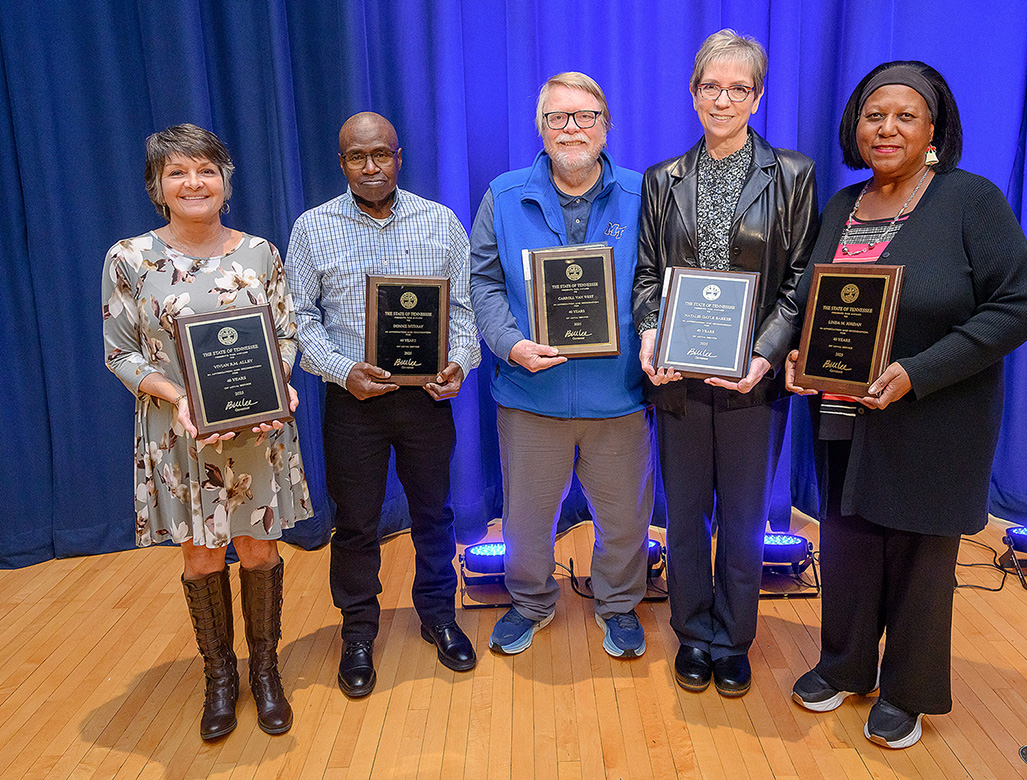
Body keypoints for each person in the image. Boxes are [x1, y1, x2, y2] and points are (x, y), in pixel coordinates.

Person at [786, 60, 1027, 748]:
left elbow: (1023, 305)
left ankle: (907, 689)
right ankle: (845, 664)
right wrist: (800, 358)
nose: (888, 127)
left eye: (906, 115)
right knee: (846, 543)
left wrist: (917, 371)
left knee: (920, 560)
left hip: (934, 417)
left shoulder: (970, 200)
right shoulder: (841, 206)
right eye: (875, 115)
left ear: (934, 128)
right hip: (843, 415)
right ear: (856, 127)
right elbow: (822, 304)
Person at [102, 124, 312, 740]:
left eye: (207, 171)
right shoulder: (129, 258)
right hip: (180, 433)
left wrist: (284, 382)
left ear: (225, 182)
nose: (194, 182)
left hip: (257, 431)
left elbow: (285, 337)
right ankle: (220, 676)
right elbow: (120, 354)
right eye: (177, 173)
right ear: (158, 187)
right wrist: (178, 396)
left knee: (259, 550)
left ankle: (265, 672)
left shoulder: (261, 254)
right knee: (200, 554)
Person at [632, 29, 819, 697]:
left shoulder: (793, 175)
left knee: (742, 518)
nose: (723, 98)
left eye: (738, 87)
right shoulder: (662, 179)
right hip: (677, 378)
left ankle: (733, 637)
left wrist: (767, 356)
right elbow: (648, 274)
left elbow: (801, 280)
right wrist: (651, 334)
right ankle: (692, 631)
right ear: (692, 93)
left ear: (758, 96)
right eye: (711, 86)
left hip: (751, 384)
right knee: (683, 514)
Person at [286, 112, 481, 694]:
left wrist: (460, 363)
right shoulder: (313, 228)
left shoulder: (440, 222)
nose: (370, 167)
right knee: (356, 524)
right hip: (353, 403)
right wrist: (344, 371)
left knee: (433, 513)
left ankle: (439, 617)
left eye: (381, 155)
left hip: (425, 400)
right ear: (341, 162)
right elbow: (300, 321)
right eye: (356, 157)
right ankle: (359, 632)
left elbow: (465, 311)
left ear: (399, 157)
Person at [470, 72, 653, 659]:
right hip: (530, 393)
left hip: (619, 393)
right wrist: (509, 344)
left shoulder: (643, 194)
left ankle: (619, 605)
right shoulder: (503, 195)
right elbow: (483, 282)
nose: (571, 128)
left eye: (584, 117)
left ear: (606, 126)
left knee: (625, 519)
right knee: (525, 518)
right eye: (557, 118)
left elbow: (661, 281)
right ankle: (528, 602)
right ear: (540, 128)